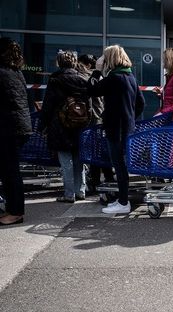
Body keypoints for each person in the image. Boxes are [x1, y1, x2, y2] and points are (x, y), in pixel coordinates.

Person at [87, 45, 145, 214]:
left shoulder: (114, 78)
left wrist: (97, 71)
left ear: (110, 59)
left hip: (114, 128)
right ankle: (122, 199)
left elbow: (91, 90)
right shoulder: (130, 77)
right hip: (127, 128)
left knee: (119, 166)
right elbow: (141, 103)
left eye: (105, 58)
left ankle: (123, 202)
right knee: (121, 166)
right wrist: (130, 118)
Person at [40, 50, 90, 203]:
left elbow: (48, 104)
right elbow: (89, 104)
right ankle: (80, 190)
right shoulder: (82, 79)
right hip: (80, 123)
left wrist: (43, 125)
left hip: (60, 124)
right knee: (78, 159)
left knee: (65, 159)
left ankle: (69, 194)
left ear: (59, 63)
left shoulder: (55, 80)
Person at [0, 38, 32, 226]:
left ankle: (15, 212)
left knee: (10, 170)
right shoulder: (16, 72)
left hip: (8, 127)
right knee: (9, 169)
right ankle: (13, 209)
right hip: (18, 126)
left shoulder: (3, 72)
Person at [77, 53, 115, 193]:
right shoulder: (101, 77)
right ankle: (108, 177)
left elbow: (91, 92)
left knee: (94, 151)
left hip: (94, 117)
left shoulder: (93, 78)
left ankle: (96, 181)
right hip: (100, 116)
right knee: (101, 149)